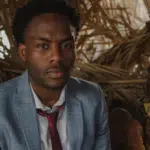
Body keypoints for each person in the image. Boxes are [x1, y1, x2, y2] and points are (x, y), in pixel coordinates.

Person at [0, 0, 111, 150]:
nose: (57, 56)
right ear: (23, 53)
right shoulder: (3, 106)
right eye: (43, 46)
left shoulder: (92, 98)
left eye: (66, 45)